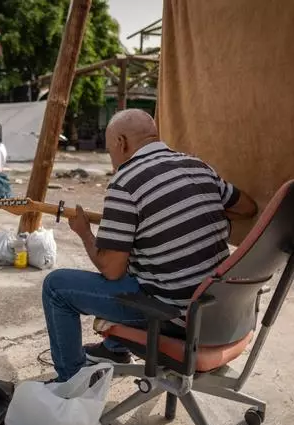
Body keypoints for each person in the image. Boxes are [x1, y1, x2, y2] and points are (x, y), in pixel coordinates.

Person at [42, 109, 258, 382]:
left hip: (176, 317)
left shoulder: (125, 182)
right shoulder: (197, 166)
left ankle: (71, 381)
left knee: (56, 287)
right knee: (144, 261)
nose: (112, 159)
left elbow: (111, 270)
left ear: (121, 143)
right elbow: (248, 208)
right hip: (225, 314)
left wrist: (85, 233)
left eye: (110, 150)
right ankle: (114, 349)